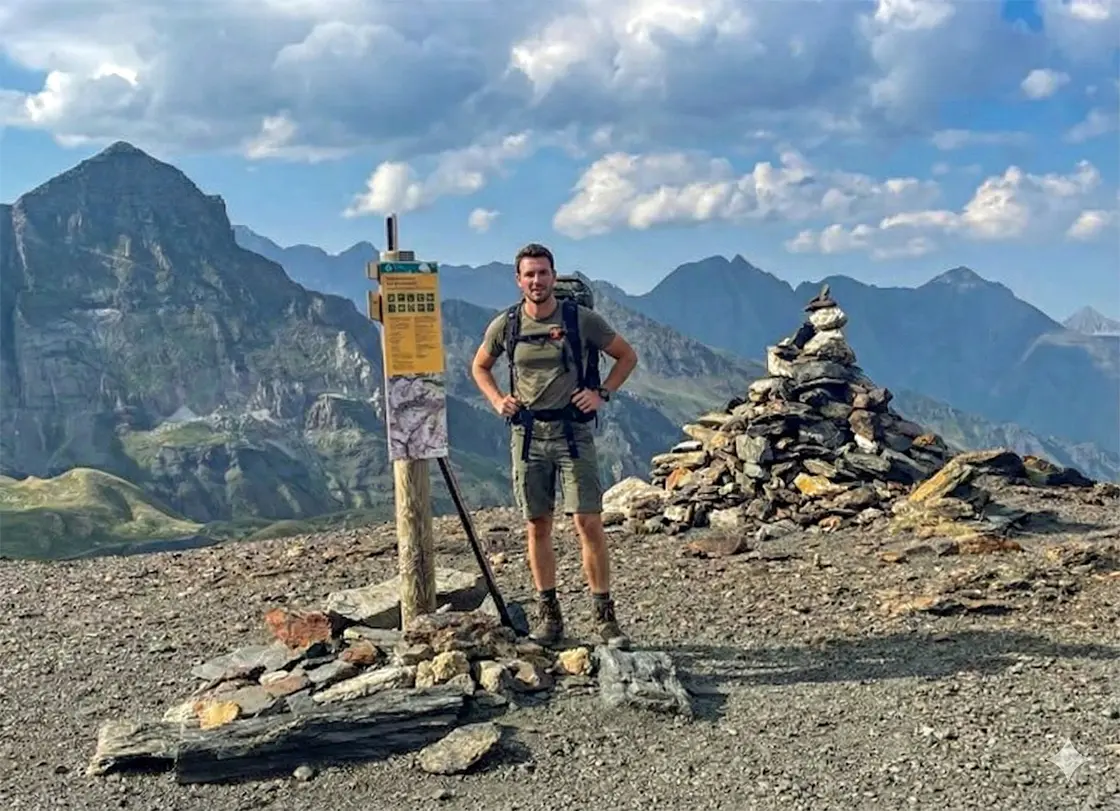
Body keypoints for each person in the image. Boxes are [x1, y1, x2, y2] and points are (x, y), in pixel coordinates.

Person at [470, 242, 639, 649]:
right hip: (528, 437)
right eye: (529, 274)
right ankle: (550, 616)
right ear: (518, 280)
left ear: (553, 275)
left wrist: (602, 393)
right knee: (537, 525)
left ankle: (604, 616)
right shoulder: (507, 325)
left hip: (573, 435)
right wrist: (497, 401)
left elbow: (626, 356)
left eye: (543, 273)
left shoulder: (581, 319)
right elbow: (479, 366)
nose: (536, 281)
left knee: (589, 522)